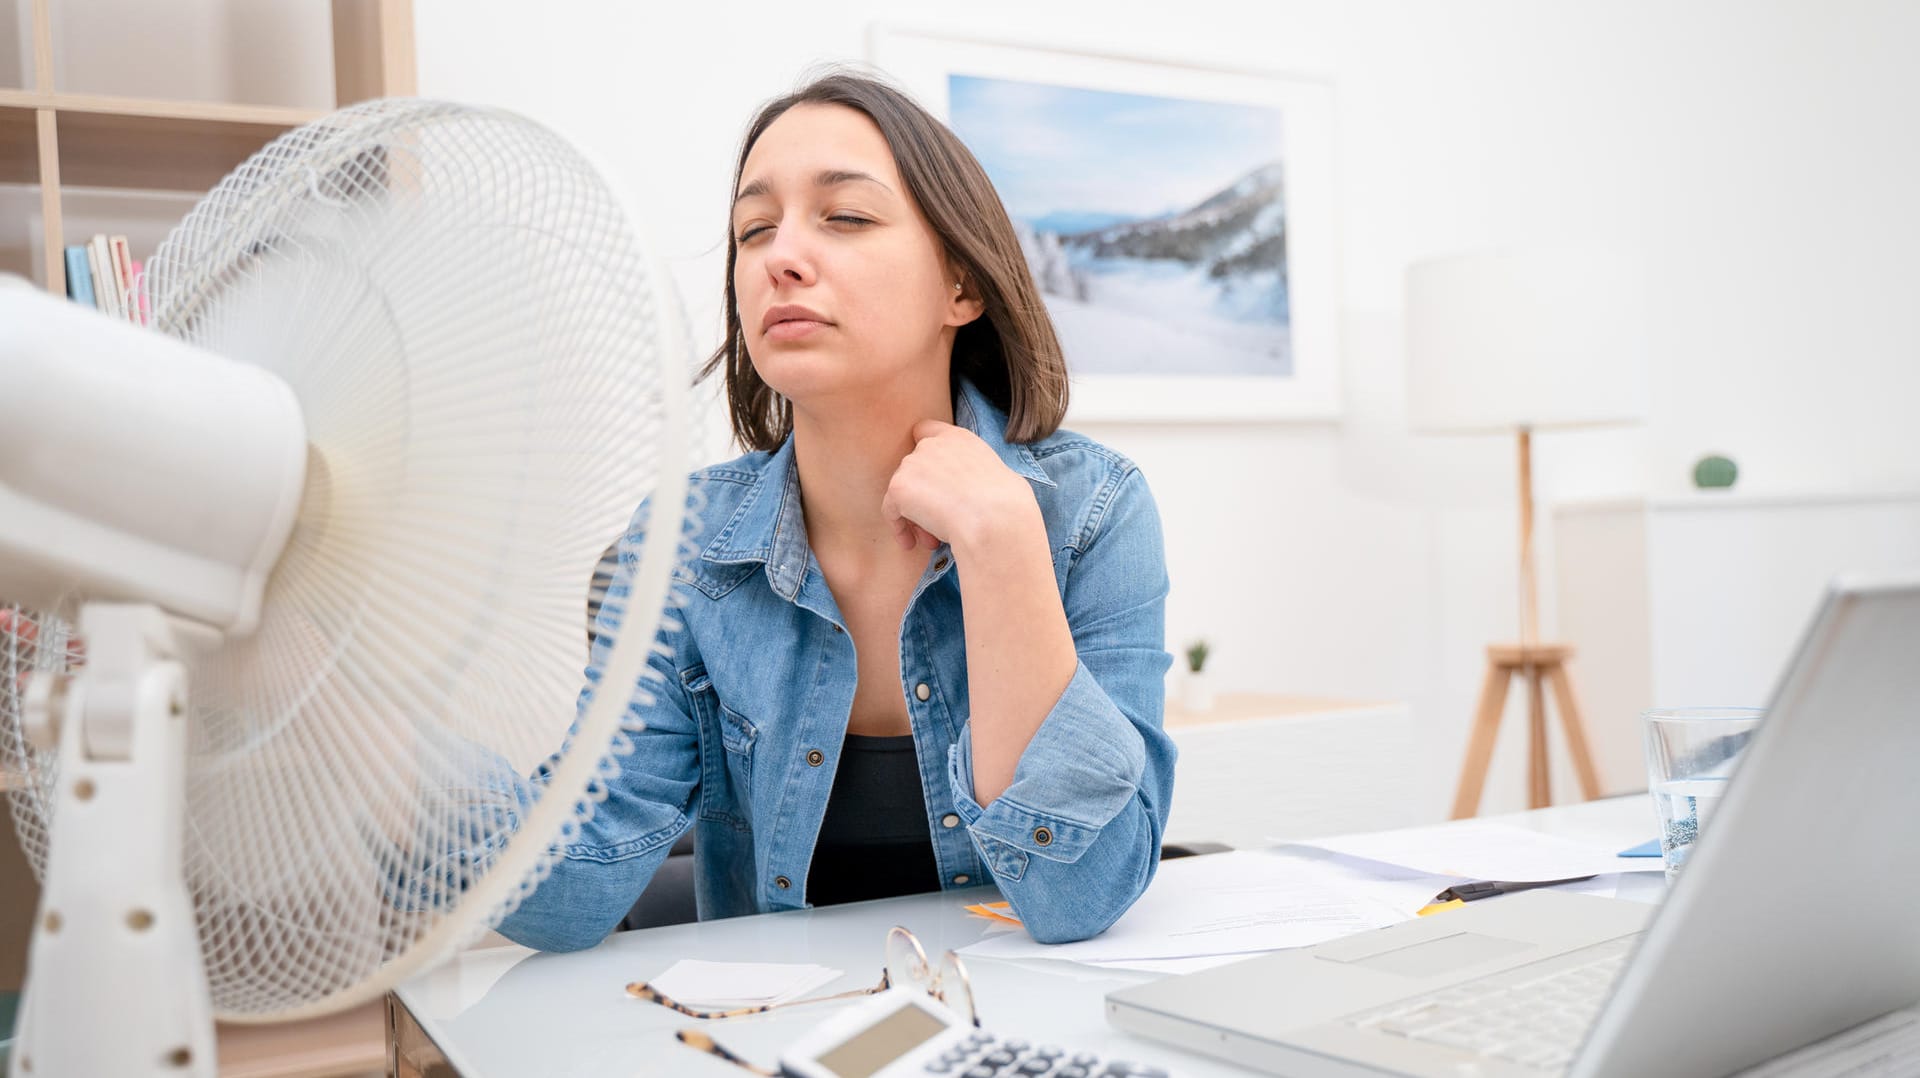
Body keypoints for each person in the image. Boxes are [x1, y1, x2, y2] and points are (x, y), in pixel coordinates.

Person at [496, 70, 1175, 951]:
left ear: (961, 288)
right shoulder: (679, 543)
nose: (782, 256)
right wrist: (374, 746)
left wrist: (1003, 549)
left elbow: (1080, 897)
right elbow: (569, 894)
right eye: (753, 229)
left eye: (845, 218)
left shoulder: (1093, 512)